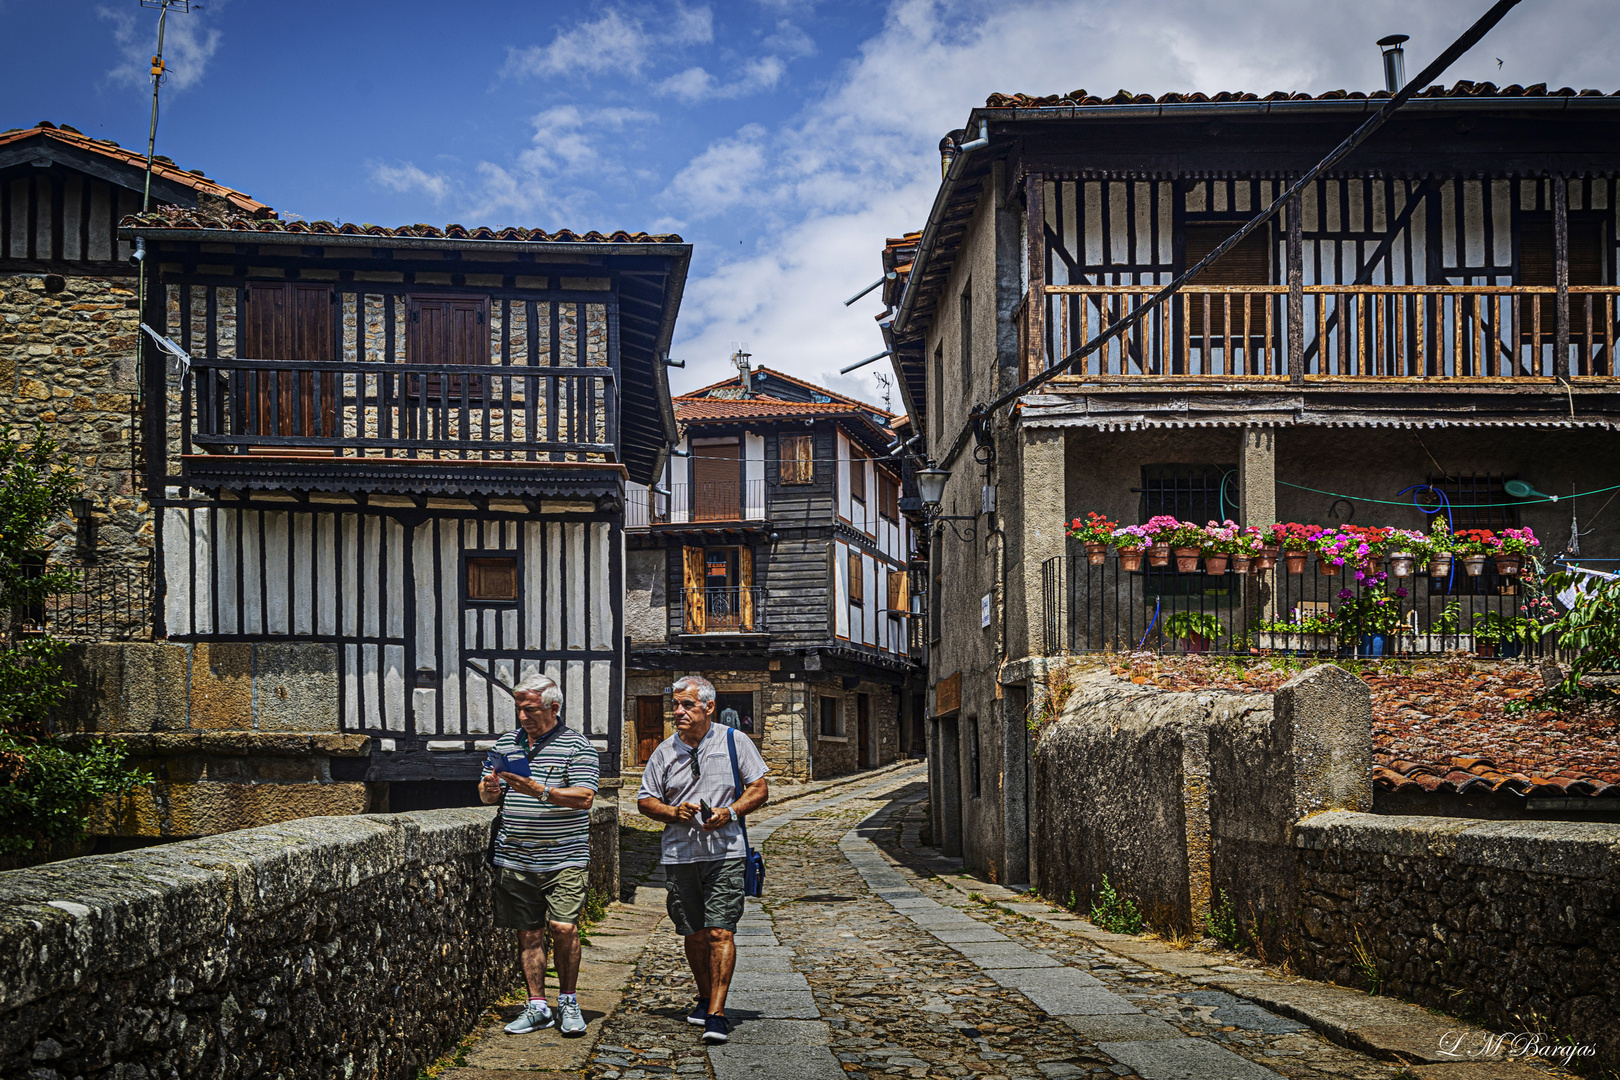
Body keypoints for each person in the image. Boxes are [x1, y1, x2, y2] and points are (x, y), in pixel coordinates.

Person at [636, 675, 769, 1045]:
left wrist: (729, 812)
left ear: (708, 707)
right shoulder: (664, 751)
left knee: (720, 930)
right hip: (680, 855)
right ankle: (705, 996)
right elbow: (645, 800)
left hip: (726, 852)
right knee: (693, 933)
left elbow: (759, 789)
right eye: (675, 705)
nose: (677, 711)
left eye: (686, 705)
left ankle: (717, 1013)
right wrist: (673, 812)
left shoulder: (733, 741)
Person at [479, 673, 599, 1037]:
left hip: (564, 856)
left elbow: (585, 797)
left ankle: (568, 1001)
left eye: (530, 709)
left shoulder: (577, 746)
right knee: (528, 934)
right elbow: (487, 799)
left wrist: (538, 790)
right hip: (515, 857)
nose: (523, 717)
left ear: (554, 708)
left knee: (563, 927)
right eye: (519, 709)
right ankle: (536, 1007)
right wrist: (489, 787)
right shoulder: (506, 744)